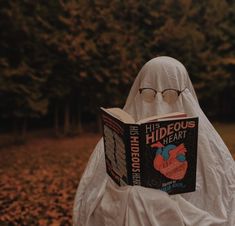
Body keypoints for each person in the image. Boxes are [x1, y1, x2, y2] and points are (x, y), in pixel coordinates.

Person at [73, 56, 235, 226]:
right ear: (138, 91)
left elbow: (225, 190)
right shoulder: (118, 132)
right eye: (149, 94)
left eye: (170, 95)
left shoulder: (209, 143)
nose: (159, 102)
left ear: (184, 93)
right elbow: (92, 192)